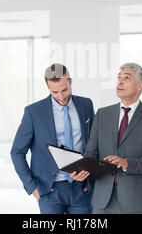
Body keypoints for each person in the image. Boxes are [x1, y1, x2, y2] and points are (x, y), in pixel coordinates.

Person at [71, 63, 142, 214]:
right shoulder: (102, 114)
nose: (120, 82)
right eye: (118, 78)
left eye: (126, 78)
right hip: (102, 200)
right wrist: (82, 169)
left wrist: (127, 163)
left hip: (135, 200)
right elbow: (91, 152)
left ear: (140, 86)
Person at [10, 63, 95, 214]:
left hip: (81, 188)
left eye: (64, 90)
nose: (61, 97)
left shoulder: (86, 105)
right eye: (55, 92)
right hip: (49, 189)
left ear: (70, 81)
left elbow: (94, 143)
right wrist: (32, 187)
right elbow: (17, 151)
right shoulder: (34, 112)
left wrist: (90, 174)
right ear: (48, 87)